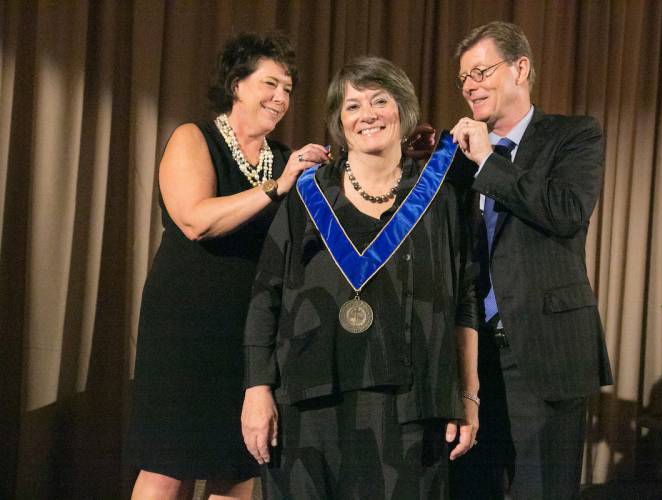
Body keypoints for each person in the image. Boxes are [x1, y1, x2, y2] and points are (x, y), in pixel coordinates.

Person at [240, 56, 480, 499]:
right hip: (310, 404)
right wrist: (257, 389)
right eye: (352, 106)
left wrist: (468, 394)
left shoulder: (440, 197)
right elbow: (264, 296)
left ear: (403, 111)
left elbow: (466, 297)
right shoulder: (307, 193)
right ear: (338, 120)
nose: (367, 114)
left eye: (380, 100)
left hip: (411, 407)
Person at [125, 32, 330, 499]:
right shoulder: (193, 137)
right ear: (236, 84)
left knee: (238, 466)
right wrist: (277, 186)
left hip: (252, 331)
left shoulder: (283, 159)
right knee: (167, 465)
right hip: (185, 327)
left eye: (288, 90)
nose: (281, 98)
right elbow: (196, 220)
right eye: (270, 84)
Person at [448, 21, 613, 499]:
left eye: (481, 71)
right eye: (463, 79)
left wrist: (488, 162)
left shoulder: (573, 135)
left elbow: (565, 211)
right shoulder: (458, 151)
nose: (471, 86)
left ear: (521, 68)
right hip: (472, 357)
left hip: (545, 353)